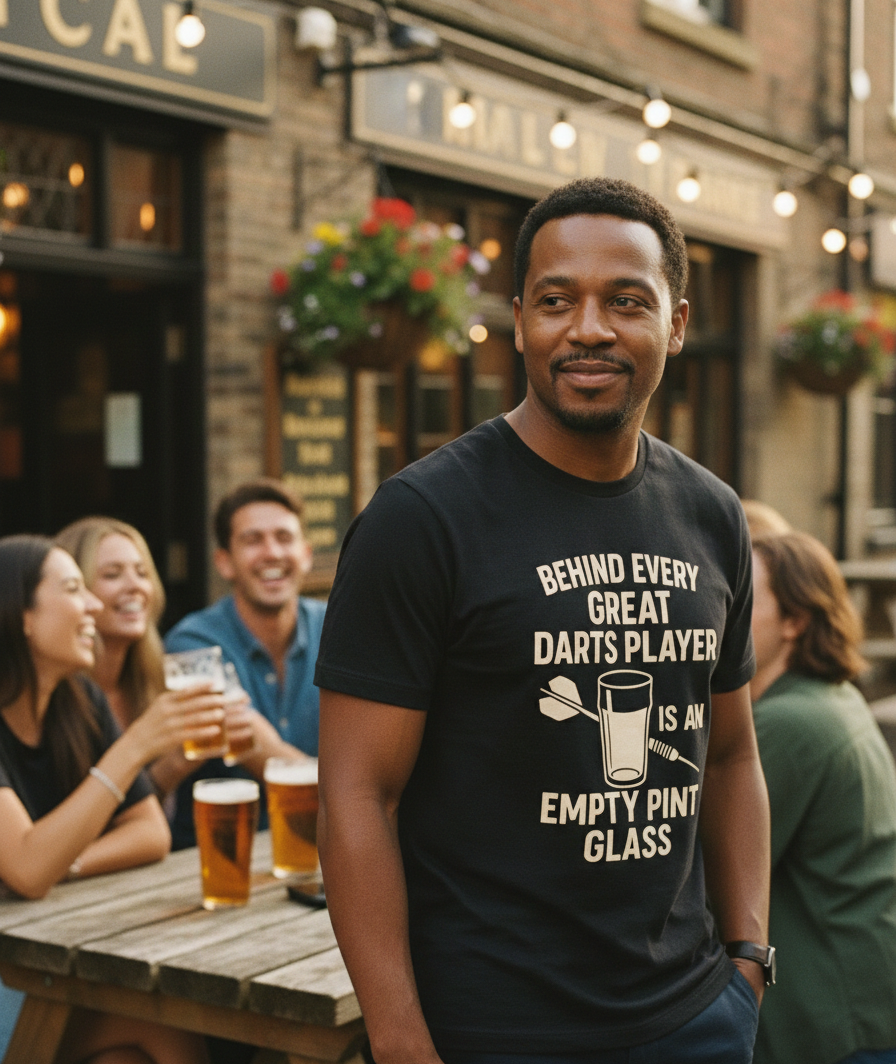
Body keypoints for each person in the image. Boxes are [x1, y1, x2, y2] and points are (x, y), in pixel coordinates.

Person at [315, 176, 771, 1064]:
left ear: (675, 324)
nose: (589, 328)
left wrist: (748, 960)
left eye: (627, 301)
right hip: (490, 1031)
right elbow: (356, 795)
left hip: (693, 1022)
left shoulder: (712, 514)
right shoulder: (422, 518)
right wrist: (402, 1042)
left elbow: (730, 752)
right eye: (558, 300)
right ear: (519, 319)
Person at [0, 534, 209, 1064]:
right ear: (20, 615)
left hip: (43, 958)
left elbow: (149, 833)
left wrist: (63, 862)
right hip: (11, 970)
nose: (93, 603)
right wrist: (136, 744)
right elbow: (24, 867)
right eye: (74, 588)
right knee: (163, 1023)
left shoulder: (78, 699)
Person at [750, 531, 896, 1064]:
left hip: (832, 1020)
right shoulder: (833, 699)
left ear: (796, 621)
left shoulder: (792, 722)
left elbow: (707, 870)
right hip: (865, 1001)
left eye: (744, 597)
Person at [164, 478, 324, 850]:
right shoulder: (194, 643)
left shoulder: (339, 631)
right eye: (253, 540)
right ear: (224, 562)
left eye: (284, 538)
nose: (271, 552)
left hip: (319, 853)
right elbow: (249, 743)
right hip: (218, 858)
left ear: (306, 554)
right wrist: (353, 795)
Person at [55, 516, 245, 802]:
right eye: (112, 574)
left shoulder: (156, 683)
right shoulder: (56, 697)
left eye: (142, 573)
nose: (136, 586)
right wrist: (171, 766)